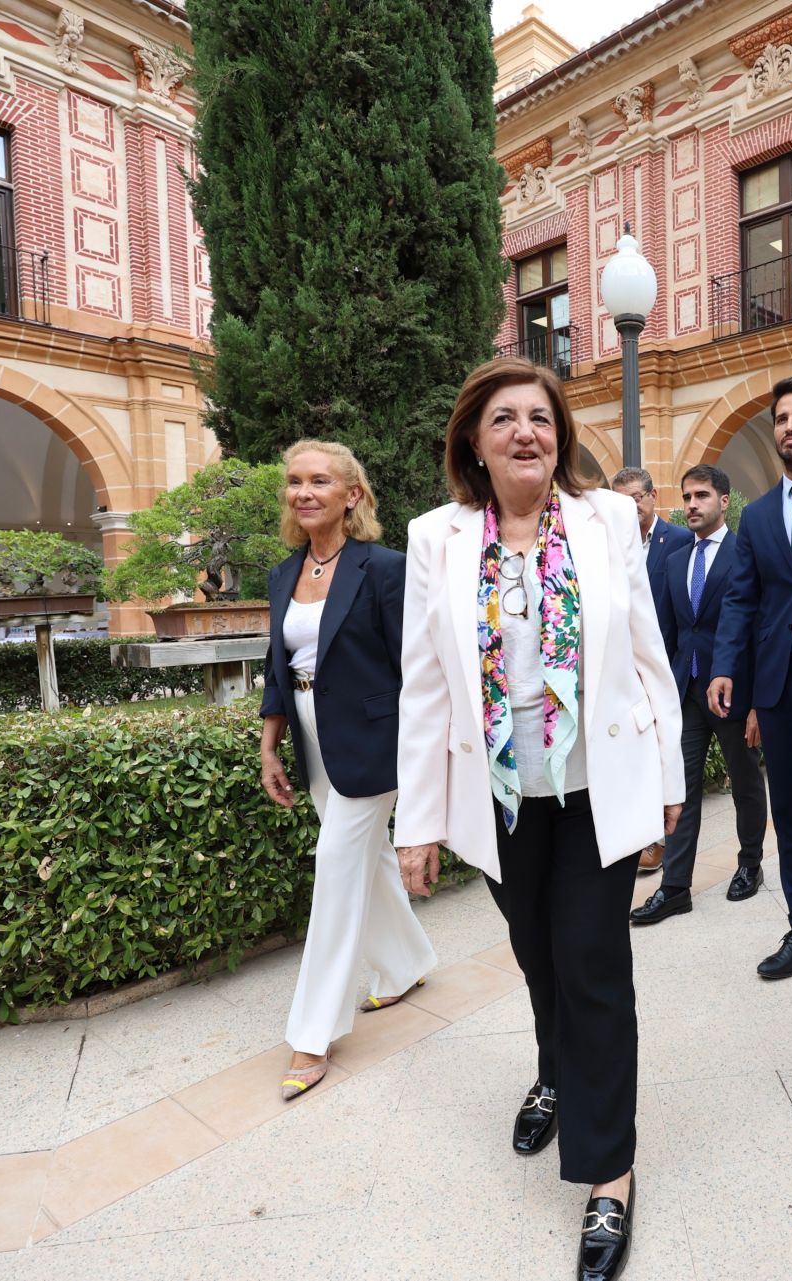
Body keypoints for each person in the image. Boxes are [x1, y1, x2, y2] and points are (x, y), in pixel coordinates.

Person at [394, 357, 682, 1281]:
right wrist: (418, 820)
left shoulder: (604, 523)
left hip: (596, 783)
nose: (527, 432)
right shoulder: (436, 538)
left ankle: (609, 1174)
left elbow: (647, 650)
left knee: (594, 964)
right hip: (500, 795)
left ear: (561, 437)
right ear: (474, 441)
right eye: (506, 419)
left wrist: (668, 775)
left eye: (542, 418)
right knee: (537, 953)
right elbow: (426, 689)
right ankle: (557, 1071)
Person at [258, 439, 437, 1102]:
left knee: (335, 869)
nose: (303, 492)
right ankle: (405, 964)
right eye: (295, 482)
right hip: (310, 738)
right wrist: (270, 744)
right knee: (370, 863)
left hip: (372, 741)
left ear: (351, 495)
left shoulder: (385, 568)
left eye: (320, 481)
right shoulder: (282, 575)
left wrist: (424, 760)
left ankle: (313, 1031)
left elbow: (415, 669)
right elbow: (278, 667)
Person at [709, 376, 792, 977]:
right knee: (788, 812)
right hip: (779, 685)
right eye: (782, 418)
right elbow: (741, 600)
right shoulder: (757, 517)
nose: (790, 426)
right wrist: (725, 669)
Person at [632, 464, 769, 926]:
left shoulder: (743, 555)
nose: (691, 504)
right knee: (680, 789)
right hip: (685, 693)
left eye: (702, 496)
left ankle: (750, 863)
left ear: (724, 500)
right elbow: (667, 635)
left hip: (733, 694)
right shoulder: (673, 561)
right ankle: (674, 888)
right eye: (687, 496)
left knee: (745, 784)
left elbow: (758, 632)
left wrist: (755, 704)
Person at [611, 466, 693, 878]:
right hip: (622, 672)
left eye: (636, 499)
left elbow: (682, 614)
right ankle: (643, 837)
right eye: (621, 500)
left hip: (666, 665)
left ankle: (660, 840)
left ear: (652, 496)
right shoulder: (608, 544)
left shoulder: (678, 540)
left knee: (666, 752)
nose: (630, 507)